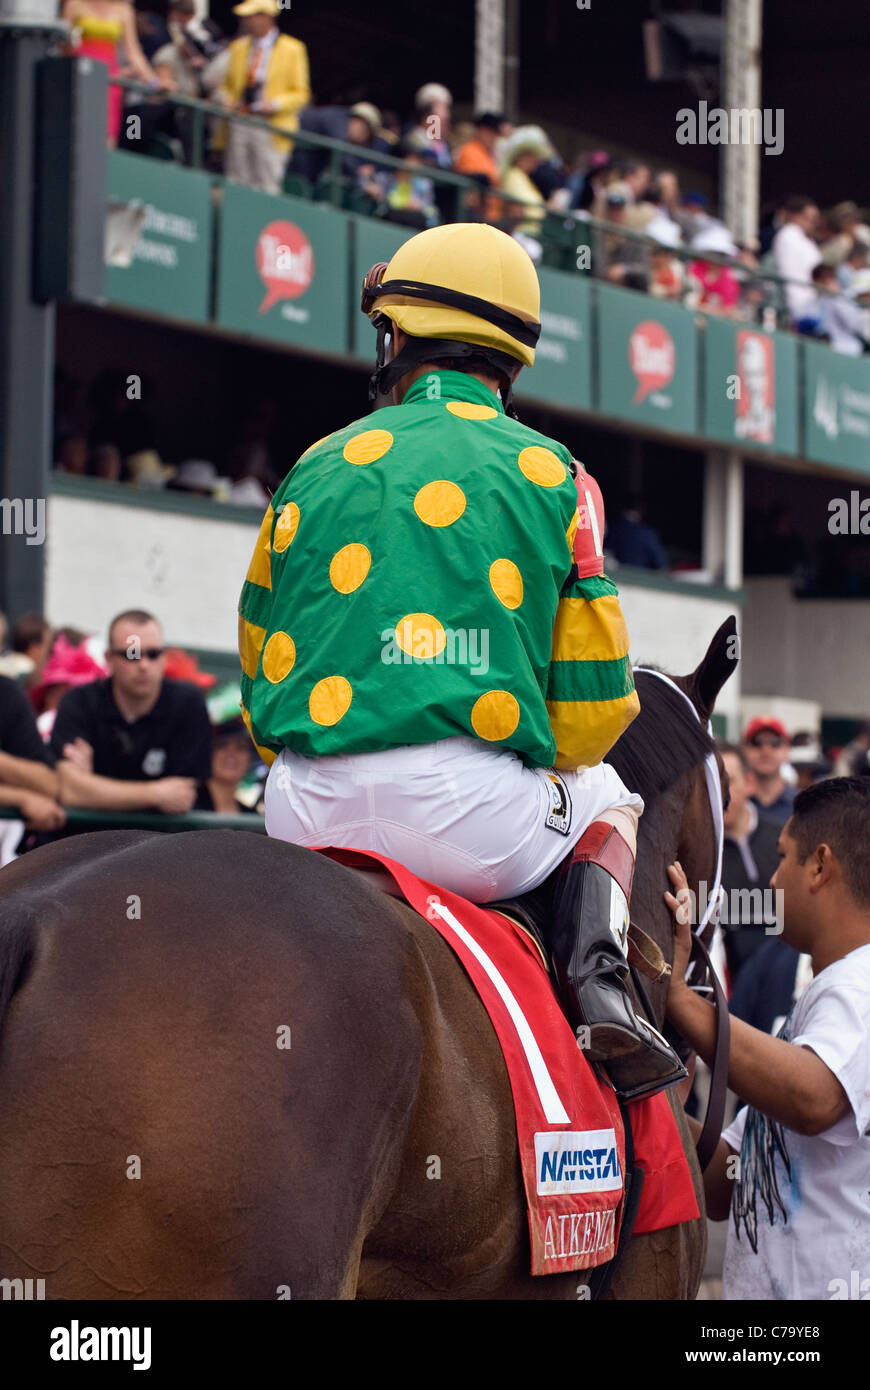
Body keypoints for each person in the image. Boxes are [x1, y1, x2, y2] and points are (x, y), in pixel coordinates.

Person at [238, 221, 686, 1101]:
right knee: (612, 791)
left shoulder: (313, 465)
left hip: (301, 812)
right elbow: (593, 711)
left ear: (395, 337)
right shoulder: (558, 473)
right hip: (467, 823)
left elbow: (260, 668)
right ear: (510, 360)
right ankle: (601, 987)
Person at [665, 778, 870, 1300]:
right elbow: (723, 1184)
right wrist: (645, 1099)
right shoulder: (823, 1002)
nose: (773, 879)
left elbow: (815, 1098)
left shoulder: (862, 983)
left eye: (783, 859)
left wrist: (684, 1003)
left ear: (820, 867)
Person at [49, 609, 212, 819]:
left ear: (164, 658)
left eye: (153, 654)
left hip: (161, 844)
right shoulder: (79, 702)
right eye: (131, 654)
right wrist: (156, 794)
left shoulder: (188, 702)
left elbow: (182, 795)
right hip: (87, 841)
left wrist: (94, 789)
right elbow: (71, 791)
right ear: (109, 659)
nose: (143, 665)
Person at [219, 0, 310, 196]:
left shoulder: (293, 49)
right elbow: (226, 85)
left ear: (267, 17)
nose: (247, 21)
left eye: (252, 16)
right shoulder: (238, 47)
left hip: (271, 125)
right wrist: (227, 100)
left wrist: (274, 105)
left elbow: (301, 93)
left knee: (266, 182)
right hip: (240, 118)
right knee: (236, 178)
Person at [716, 743, 783, 986]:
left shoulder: (785, 838)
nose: (721, 795)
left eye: (728, 781)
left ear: (750, 784)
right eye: (712, 783)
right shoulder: (697, 855)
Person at [62, 0, 163, 146]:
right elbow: (63, 45)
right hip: (78, 75)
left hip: (110, 79)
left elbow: (134, 54)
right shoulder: (75, 4)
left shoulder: (124, 9)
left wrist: (155, 83)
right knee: (75, 129)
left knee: (107, 133)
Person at [286, 102, 382, 193]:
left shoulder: (338, 120)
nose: (362, 140)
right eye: (365, 134)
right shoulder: (337, 119)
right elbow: (341, 152)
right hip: (289, 161)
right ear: (360, 122)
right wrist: (359, 173)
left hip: (299, 168)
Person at [771, 195, 821, 324]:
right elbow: (789, 271)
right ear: (794, 215)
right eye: (807, 217)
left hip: (811, 302)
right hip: (795, 303)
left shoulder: (808, 240)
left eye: (814, 219)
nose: (811, 222)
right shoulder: (788, 234)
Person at [194, 716, 259, 814]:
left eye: (241, 748)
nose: (231, 755)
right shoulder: (187, 808)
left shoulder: (252, 815)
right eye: (222, 746)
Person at [742, 715, 796, 825]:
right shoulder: (734, 803)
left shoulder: (801, 805)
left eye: (775, 742)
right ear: (744, 749)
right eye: (756, 742)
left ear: (787, 750)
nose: (766, 750)